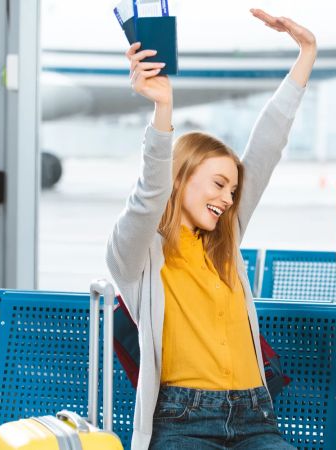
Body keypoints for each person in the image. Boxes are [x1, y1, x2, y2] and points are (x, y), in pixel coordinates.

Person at [105, 9, 316, 450]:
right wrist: (163, 108)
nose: (227, 198)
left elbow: (266, 147)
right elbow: (149, 194)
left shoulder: (226, 240)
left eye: (233, 190)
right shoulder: (137, 253)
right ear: (180, 178)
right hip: (183, 421)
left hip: (256, 415)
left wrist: (306, 56)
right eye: (218, 184)